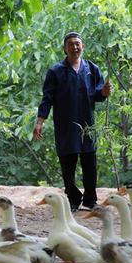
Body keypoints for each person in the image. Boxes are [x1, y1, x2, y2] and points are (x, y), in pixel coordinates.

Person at [34, 32, 112, 212]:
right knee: (67, 165)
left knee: (90, 164)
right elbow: (47, 98)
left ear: (83, 46)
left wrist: (105, 92)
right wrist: (40, 121)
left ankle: (90, 200)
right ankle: (73, 198)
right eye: (71, 44)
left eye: (77, 44)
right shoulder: (56, 71)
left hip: (88, 125)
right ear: (65, 48)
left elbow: (98, 95)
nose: (74, 47)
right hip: (65, 126)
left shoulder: (92, 69)